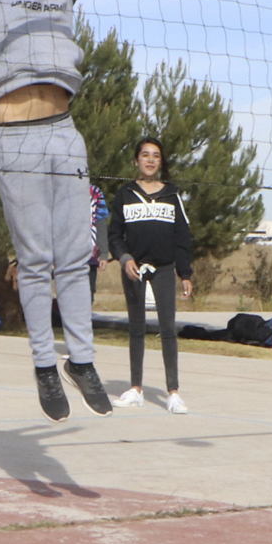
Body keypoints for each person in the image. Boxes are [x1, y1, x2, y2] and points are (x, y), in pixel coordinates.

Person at [0, 0, 153, 419]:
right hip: (16, 137)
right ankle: (44, 366)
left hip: (64, 133)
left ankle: (81, 360)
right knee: (36, 262)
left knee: (75, 256)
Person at [106, 138, 196, 412]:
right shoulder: (125, 194)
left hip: (165, 270)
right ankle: (136, 389)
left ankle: (173, 393)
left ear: (161, 162)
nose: (150, 160)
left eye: (156, 155)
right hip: (136, 270)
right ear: (136, 160)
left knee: (168, 329)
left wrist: (185, 273)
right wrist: (125, 259)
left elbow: (182, 236)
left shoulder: (171, 194)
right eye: (145, 155)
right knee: (137, 329)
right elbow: (114, 235)